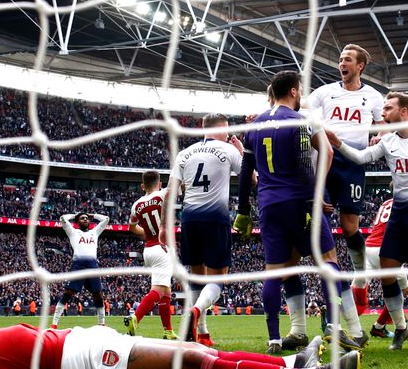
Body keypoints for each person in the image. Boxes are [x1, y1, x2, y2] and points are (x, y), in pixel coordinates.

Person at [235, 71, 363, 354]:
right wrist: (315, 196)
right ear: (294, 92)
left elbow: (246, 171)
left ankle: (274, 339)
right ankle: (334, 329)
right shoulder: (303, 120)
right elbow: (324, 155)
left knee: (274, 272)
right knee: (329, 261)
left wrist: (243, 209)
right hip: (301, 201)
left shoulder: (255, 125)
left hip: (269, 204)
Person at [326, 91, 408, 353]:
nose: (382, 113)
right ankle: (400, 327)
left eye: (387, 108)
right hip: (399, 214)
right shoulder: (388, 142)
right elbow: (362, 157)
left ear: (404, 111)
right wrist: (338, 143)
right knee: (387, 271)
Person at [0, 317, 363, 369]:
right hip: (73, 358)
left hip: (77, 341)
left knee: (202, 355)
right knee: (192, 358)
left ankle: (295, 362)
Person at [304, 44, 385, 277]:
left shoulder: (373, 96)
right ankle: (331, 271)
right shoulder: (326, 91)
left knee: (350, 227)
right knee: (320, 219)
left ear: (360, 66)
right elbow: (300, 106)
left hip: (354, 161)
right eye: (340, 59)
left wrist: (378, 138)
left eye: (347, 59)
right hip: (326, 158)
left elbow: (385, 128)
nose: (342, 63)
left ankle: (360, 274)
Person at [166, 113, 243, 345]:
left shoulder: (183, 153)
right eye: (228, 129)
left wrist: (163, 226)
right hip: (216, 219)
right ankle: (196, 310)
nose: (229, 134)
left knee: (197, 279)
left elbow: (171, 193)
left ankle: (203, 333)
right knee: (218, 280)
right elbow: (253, 178)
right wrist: (240, 150)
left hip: (189, 219)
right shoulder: (228, 149)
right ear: (221, 128)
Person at [124, 170, 176, 340]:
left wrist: (146, 233)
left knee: (166, 291)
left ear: (142, 186)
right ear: (159, 184)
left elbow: (132, 228)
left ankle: (168, 331)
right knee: (159, 289)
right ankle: (135, 317)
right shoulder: (163, 195)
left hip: (148, 249)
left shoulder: (136, 205)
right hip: (162, 248)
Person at [351, 198, 408, 339]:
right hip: (384, 249)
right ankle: (387, 327)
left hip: (368, 248)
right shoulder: (406, 200)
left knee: (357, 294)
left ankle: (332, 314)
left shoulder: (386, 203)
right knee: (401, 291)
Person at [51, 212, 109, 329]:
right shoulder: (73, 232)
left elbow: (106, 219)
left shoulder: (94, 232)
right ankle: (54, 324)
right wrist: (74, 215)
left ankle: (101, 323)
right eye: (82, 218)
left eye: (87, 218)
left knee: (98, 294)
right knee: (68, 293)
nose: (85, 219)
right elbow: (62, 218)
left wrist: (93, 215)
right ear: (77, 222)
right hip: (78, 266)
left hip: (93, 266)